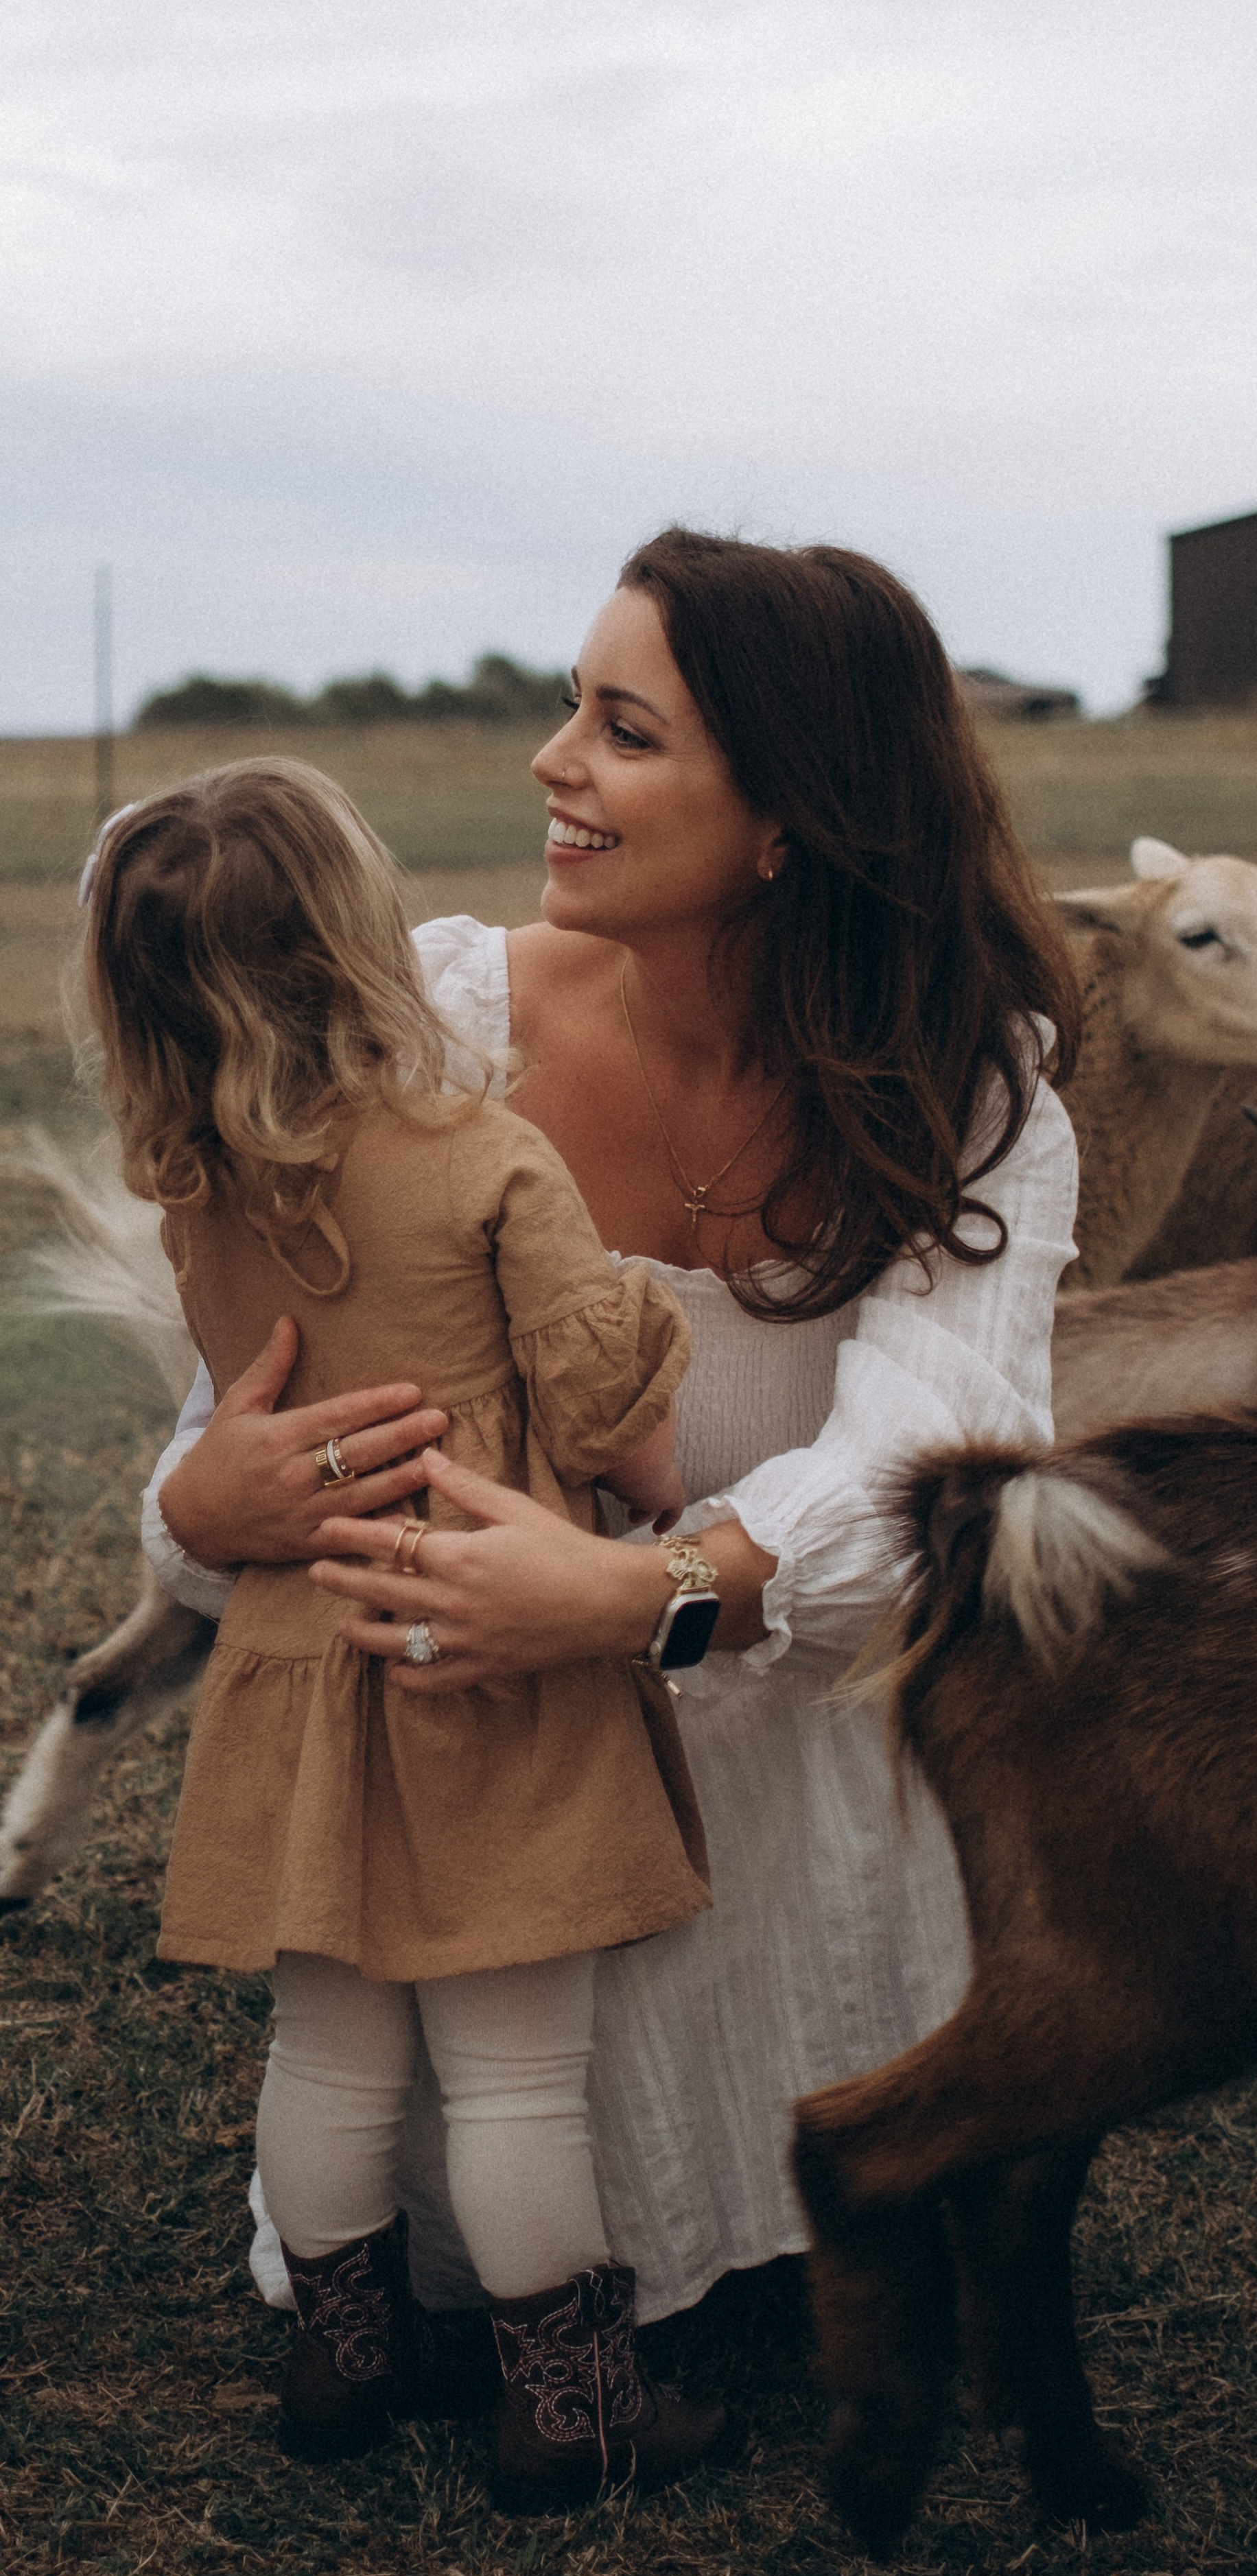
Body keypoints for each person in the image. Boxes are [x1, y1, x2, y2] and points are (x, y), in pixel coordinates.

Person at [143, 528, 1083, 2444]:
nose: (552, 761)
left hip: (787, 1783)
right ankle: (462, 2316)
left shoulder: (968, 1098)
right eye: (573, 708)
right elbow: (228, 1405)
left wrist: (639, 1595)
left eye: (625, 730)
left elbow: (940, 1467)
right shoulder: (426, 1025)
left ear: (789, 817)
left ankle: (777, 2179)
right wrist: (203, 1505)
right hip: (459, 1767)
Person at [87, 757, 726, 2511]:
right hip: (480, 1645)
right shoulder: (483, 1154)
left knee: (329, 2046)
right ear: (356, 938)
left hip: (303, 1658)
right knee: (516, 2072)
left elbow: (252, 1406)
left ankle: (344, 2358)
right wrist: (653, 1414)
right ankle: (570, 2406)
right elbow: (601, 1410)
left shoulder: (199, 1197)